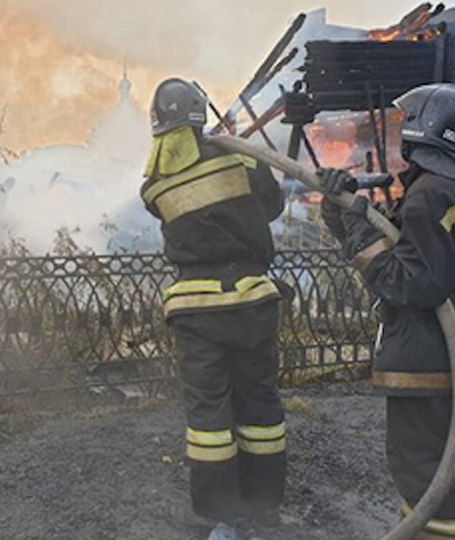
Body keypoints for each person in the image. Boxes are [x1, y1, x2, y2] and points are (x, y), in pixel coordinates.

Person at [320, 83, 455, 540]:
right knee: (453, 459)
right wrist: (340, 211)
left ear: (426, 127)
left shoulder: (427, 198)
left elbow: (412, 283)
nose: (402, 132)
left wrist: (359, 234)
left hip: (427, 352)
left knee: (422, 469)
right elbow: (424, 257)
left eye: (407, 122)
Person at [141, 78, 287, 538]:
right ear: (202, 114)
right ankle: (264, 506)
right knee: (259, 404)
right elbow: (273, 206)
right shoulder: (241, 156)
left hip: (197, 310)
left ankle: (219, 514)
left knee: (209, 417)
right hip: (252, 301)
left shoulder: (154, 185)